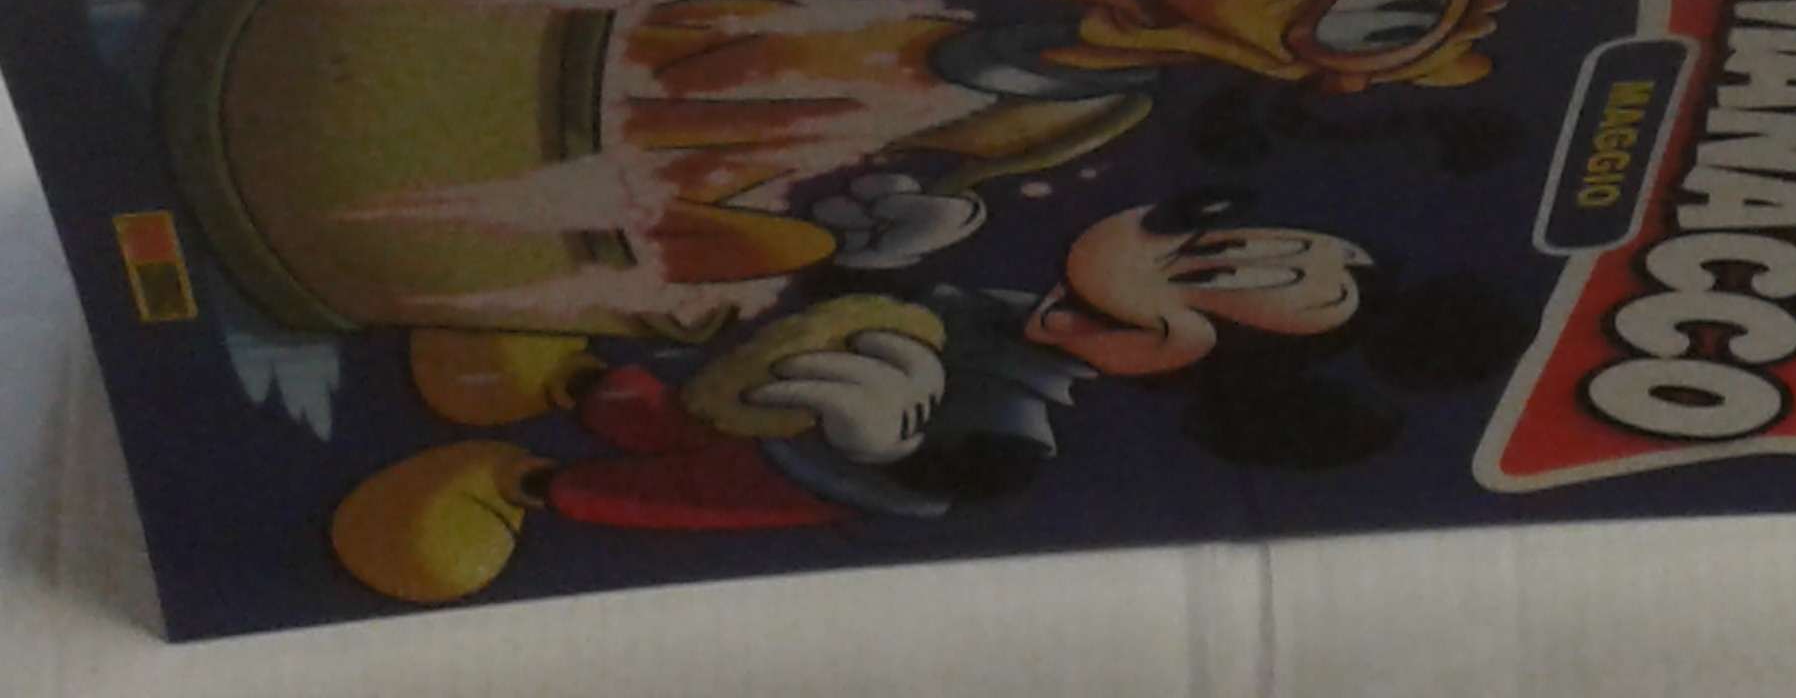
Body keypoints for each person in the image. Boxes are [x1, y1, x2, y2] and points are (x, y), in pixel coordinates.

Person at [328, 190, 1529, 605]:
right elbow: (862, 301)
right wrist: (865, 252)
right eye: (1196, 237)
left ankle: (518, 485)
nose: (1154, 264)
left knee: (659, 488)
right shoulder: (992, 302)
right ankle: (569, 377)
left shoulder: (1020, 420)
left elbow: (981, 477)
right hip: (761, 391)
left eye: (1207, 295)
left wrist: (892, 445)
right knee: (669, 409)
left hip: (804, 478)